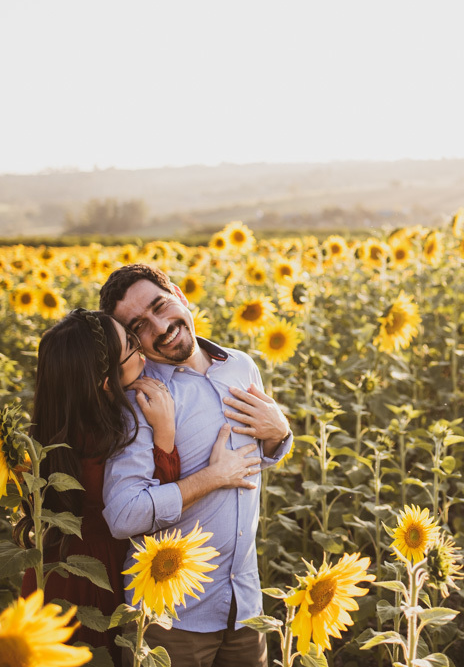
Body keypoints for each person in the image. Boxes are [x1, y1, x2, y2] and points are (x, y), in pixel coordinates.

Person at [18, 308, 262, 667]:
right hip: (94, 577)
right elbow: (140, 510)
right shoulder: (111, 429)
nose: (145, 348)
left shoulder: (61, 420)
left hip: (62, 566)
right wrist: (164, 437)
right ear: (105, 381)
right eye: (132, 345)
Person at [100, 264, 292, 667]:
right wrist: (210, 478)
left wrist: (278, 434)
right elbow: (123, 514)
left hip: (244, 605)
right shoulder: (143, 401)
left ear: (180, 296)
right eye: (139, 326)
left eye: (160, 305)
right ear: (130, 341)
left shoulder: (239, 366)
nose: (160, 326)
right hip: (172, 618)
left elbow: (251, 460)